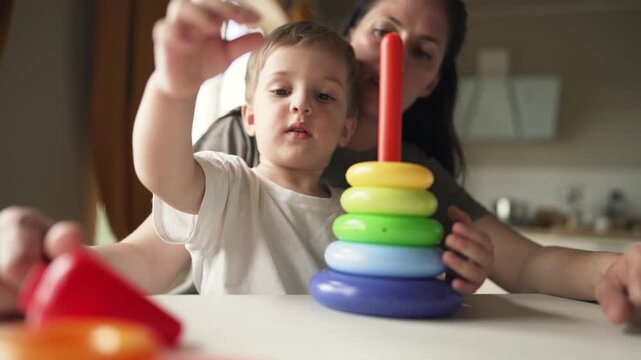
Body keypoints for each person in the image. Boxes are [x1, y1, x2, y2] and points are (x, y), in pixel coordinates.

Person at [1, 0, 640, 325]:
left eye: (420, 52)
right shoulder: (233, 167)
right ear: (352, 33)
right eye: (382, 33)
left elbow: (524, 260)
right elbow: (158, 215)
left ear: (431, 83)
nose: (390, 59)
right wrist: (171, 88)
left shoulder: (413, 187)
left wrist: (615, 268)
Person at [133, 14, 359, 294]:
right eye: (281, 90)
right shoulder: (229, 186)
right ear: (250, 118)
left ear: (346, 130)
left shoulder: (357, 218)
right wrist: (172, 90)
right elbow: (164, 174)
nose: (301, 104)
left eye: (324, 96)